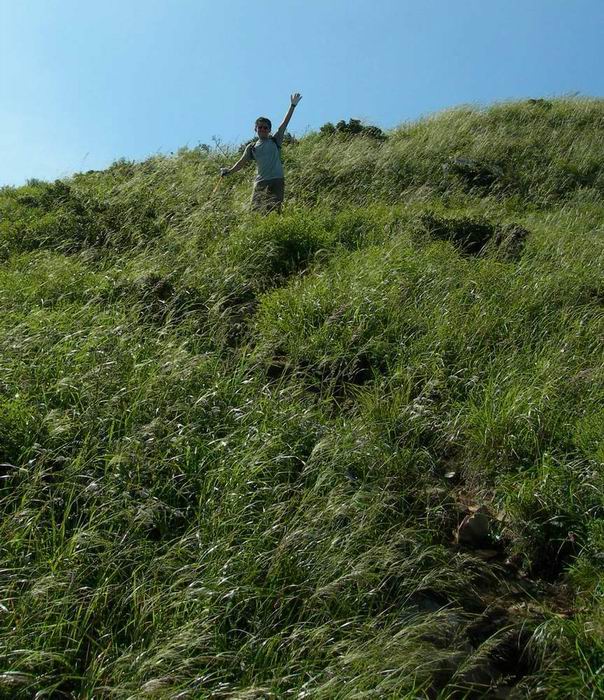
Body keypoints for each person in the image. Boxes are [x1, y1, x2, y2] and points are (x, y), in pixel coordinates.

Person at [220, 93, 302, 213]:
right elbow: (241, 163)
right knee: (255, 211)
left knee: (274, 211)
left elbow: (284, 123)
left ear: (269, 130)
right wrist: (229, 172)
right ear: (256, 129)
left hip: (277, 180)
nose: (263, 129)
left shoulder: (275, 140)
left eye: (265, 127)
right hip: (261, 182)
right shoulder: (252, 147)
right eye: (260, 127)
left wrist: (292, 105)